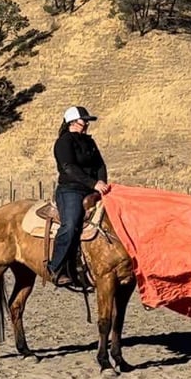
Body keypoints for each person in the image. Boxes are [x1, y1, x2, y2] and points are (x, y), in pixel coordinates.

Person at [47, 105, 111, 286]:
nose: (87, 124)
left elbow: (100, 165)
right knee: (71, 224)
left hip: (91, 190)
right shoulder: (64, 142)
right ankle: (56, 267)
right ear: (73, 122)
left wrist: (101, 184)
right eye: (85, 120)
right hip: (71, 189)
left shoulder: (89, 142)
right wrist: (93, 183)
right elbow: (69, 167)